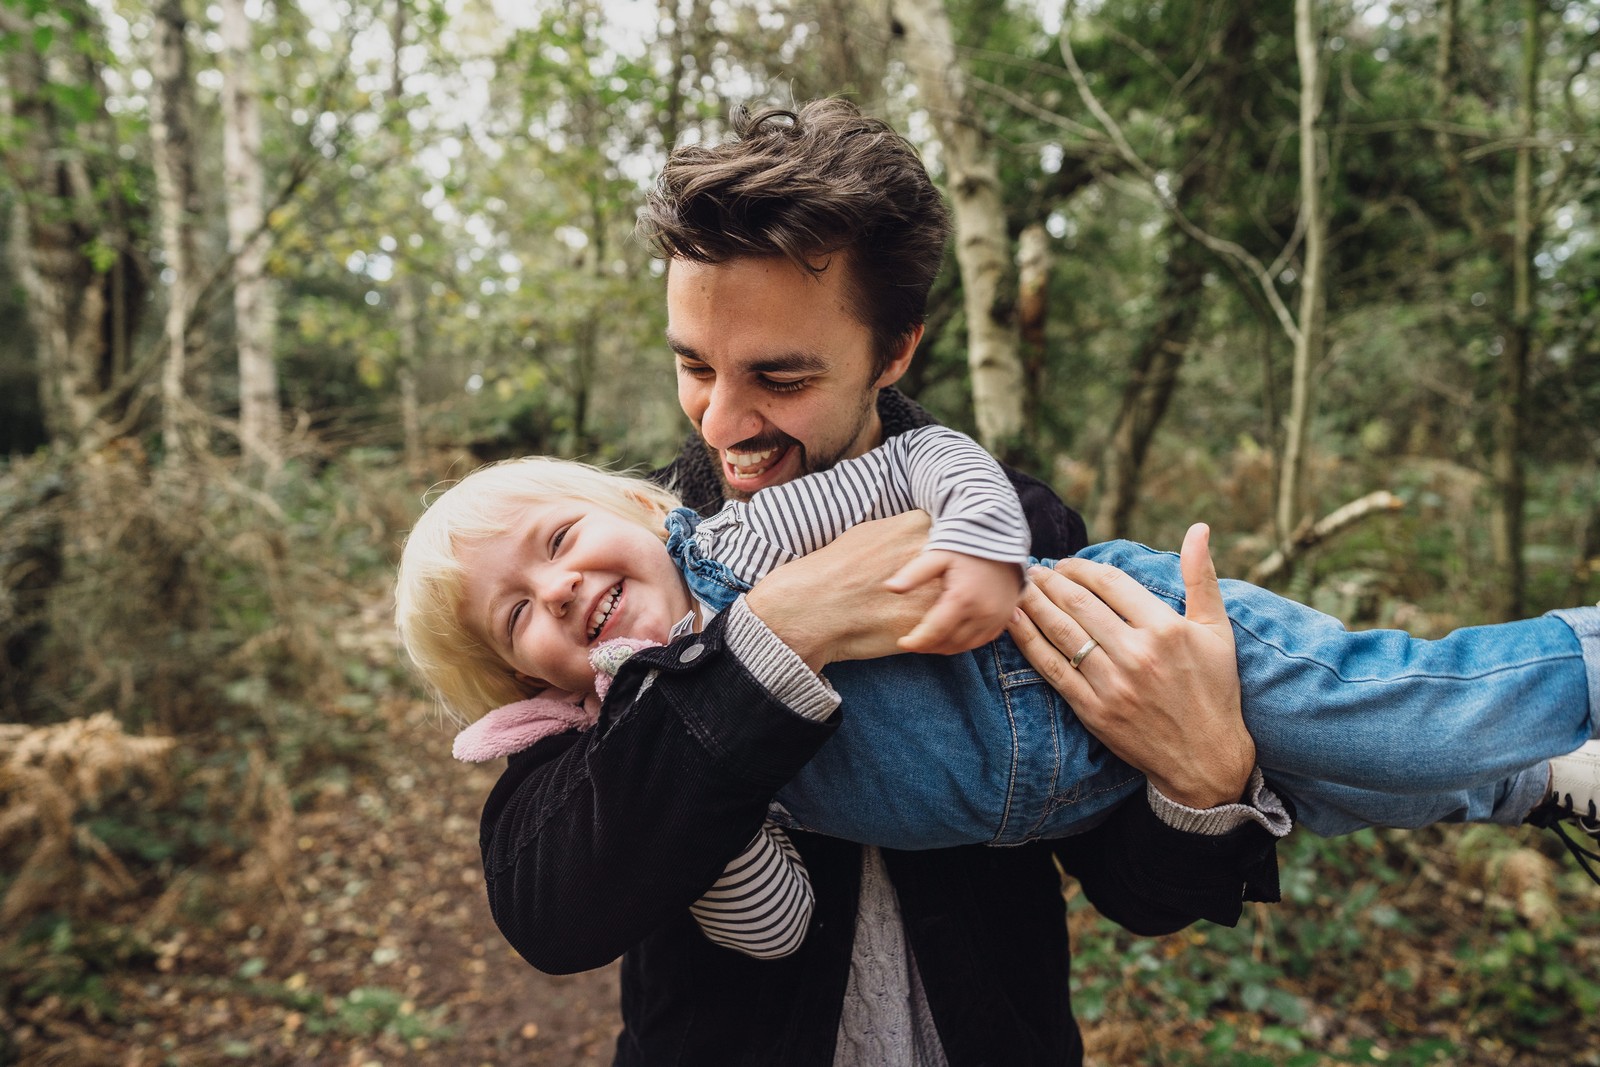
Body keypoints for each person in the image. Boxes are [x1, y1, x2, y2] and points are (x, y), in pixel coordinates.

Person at [394, 421, 1600, 946]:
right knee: (1365, 782)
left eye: (557, 544)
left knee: (1388, 710)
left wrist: (978, 535)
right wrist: (683, 729)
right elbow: (772, 922)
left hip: (1109, 629)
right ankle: (1548, 777)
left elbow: (928, 460)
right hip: (1071, 781)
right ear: (525, 677)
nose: (554, 594)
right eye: (518, 615)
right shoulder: (606, 753)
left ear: (629, 509)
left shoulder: (740, 534)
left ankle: (1583, 661)